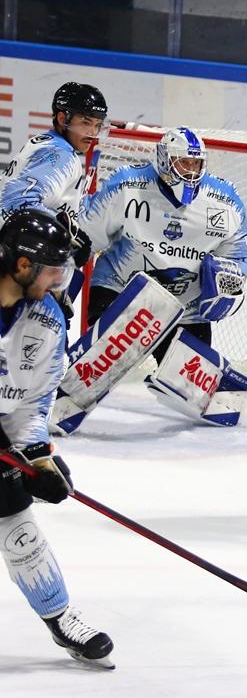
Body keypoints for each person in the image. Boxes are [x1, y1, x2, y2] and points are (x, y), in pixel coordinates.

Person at [0, 209, 114, 668]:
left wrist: (38, 460)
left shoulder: (46, 319)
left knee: (18, 527)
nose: (57, 280)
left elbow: (33, 403)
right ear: (22, 265)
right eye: (50, 270)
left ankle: (61, 618)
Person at [78, 126, 247, 361]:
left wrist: (228, 282)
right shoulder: (128, 184)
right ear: (164, 160)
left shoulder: (225, 200)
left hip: (186, 309)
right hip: (120, 293)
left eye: (196, 163)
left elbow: (237, 256)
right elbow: (86, 235)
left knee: (187, 381)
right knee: (100, 368)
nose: (191, 171)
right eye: (183, 162)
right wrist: (61, 285)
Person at [0, 83, 108, 314]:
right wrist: (66, 232)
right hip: (18, 265)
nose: (92, 132)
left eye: (97, 125)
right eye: (85, 122)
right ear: (62, 118)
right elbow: (16, 202)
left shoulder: (47, 142)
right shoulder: (61, 155)